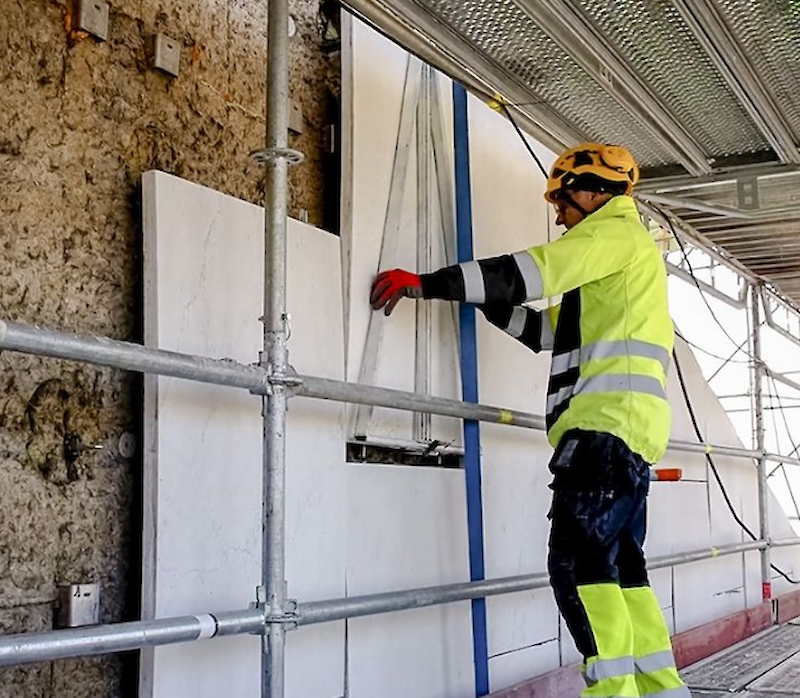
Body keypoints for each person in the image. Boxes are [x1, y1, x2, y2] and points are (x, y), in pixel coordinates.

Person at [370, 143, 689, 698]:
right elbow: (542, 332)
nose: (559, 214)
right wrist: (474, 299)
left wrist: (425, 282)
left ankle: (614, 693)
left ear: (592, 192)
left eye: (562, 200)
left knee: (577, 567)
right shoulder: (620, 264)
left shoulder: (612, 234)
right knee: (622, 571)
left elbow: (529, 274)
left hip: (601, 431)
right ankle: (661, 689)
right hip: (628, 438)